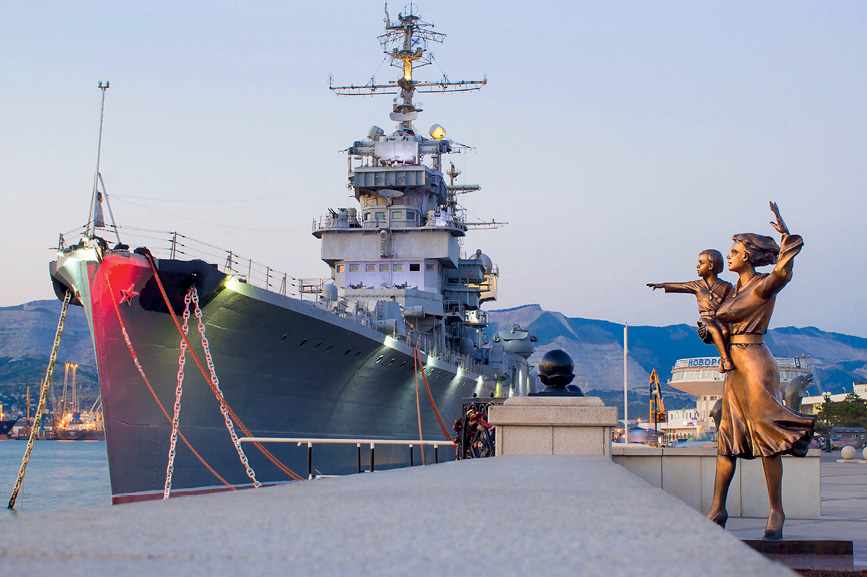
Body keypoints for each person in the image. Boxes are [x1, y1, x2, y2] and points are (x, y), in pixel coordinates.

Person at [705, 201, 816, 540]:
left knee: (766, 437)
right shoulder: (732, 291)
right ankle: (717, 509)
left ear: (748, 256)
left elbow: (783, 274)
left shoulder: (762, 285)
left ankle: (776, 510)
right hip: (734, 366)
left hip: (755, 362)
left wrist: (786, 238)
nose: (729, 257)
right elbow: (721, 324)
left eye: (734, 252)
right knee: (728, 437)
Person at [647, 250, 734, 372]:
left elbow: (732, 302)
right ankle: (726, 359)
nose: (697, 266)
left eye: (701, 263)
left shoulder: (726, 286)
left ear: (711, 266)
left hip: (718, 318)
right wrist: (663, 285)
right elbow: (681, 286)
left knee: (725, 331)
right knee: (713, 329)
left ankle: (722, 358)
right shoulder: (697, 285)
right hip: (705, 318)